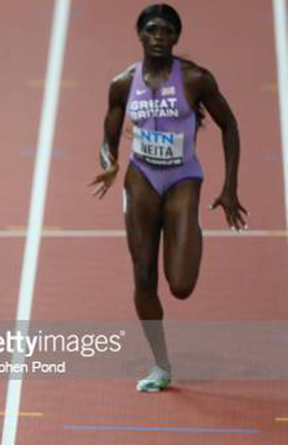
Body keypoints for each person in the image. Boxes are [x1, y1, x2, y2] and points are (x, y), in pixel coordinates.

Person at [91, 4, 246, 391]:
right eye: (152, 30)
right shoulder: (123, 84)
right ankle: (160, 365)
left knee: (180, 285)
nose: (158, 37)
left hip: (182, 178)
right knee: (144, 277)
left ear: (176, 38)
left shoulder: (195, 80)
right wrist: (109, 163)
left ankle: (187, 230)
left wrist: (229, 187)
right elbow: (108, 139)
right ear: (140, 35)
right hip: (141, 175)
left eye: (166, 32)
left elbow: (229, 126)